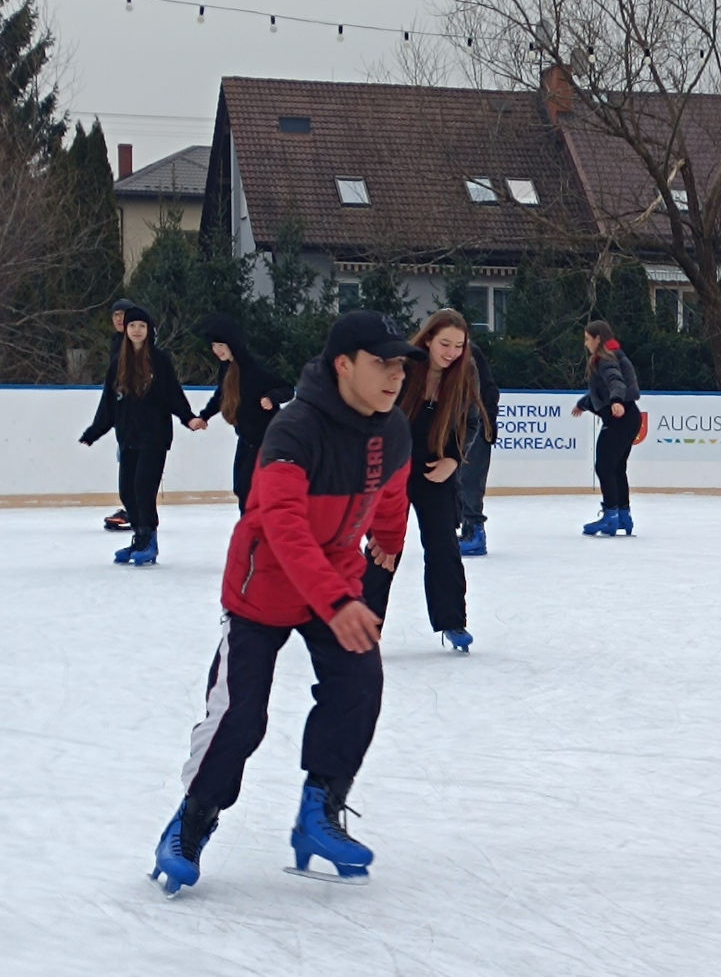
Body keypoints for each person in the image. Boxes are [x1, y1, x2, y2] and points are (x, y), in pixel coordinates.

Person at [150, 310, 421, 895]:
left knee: (359, 686)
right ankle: (191, 820)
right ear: (344, 365)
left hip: (337, 581)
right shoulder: (295, 427)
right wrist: (335, 599)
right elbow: (282, 523)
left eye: (401, 365)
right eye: (382, 363)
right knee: (240, 715)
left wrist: (390, 542)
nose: (395, 376)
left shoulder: (392, 429)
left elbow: (394, 491)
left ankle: (319, 812)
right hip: (264, 587)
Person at [362, 308, 481, 652]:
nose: (451, 352)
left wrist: (453, 460)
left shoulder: (464, 373)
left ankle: (452, 622)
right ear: (428, 338)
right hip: (392, 471)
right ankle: (367, 624)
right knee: (384, 547)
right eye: (445, 343)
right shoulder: (401, 366)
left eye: (459, 346)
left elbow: (471, 424)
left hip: (435, 470)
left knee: (444, 545)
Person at [79, 305, 205, 565]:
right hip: (128, 436)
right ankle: (138, 536)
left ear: (149, 331)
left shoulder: (159, 361)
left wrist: (188, 417)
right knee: (127, 491)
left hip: (155, 436)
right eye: (132, 326)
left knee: (143, 489)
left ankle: (149, 540)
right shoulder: (118, 364)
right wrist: (94, 431)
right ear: (125, 330)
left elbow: (173, 395)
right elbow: (109, 404)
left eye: (142, 326)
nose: (137, 330)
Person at [196, 312, 295, 514]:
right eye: (214, 346)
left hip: (265, 438)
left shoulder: (253, 367)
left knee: (251, 487)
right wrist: (204, 416)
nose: (217, 351)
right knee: (241, 486)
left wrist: (271, 397)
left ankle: (255, 528)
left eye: (221, 346)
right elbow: (221, 395)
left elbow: (287, 389)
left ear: (232, 344)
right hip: (246, 437)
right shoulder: (227, 369)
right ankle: (249, 526)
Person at [571, 319, 642, 536]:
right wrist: (583, 404)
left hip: (620, 417)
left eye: (587, 339)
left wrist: (617, 401)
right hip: (629, 416)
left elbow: (615, 381)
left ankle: (611, 516)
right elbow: (601, 391)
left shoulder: (605, 359)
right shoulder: (615, 355)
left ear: (597, 339)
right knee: (616, 467)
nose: (586, 344)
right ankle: (623, 515)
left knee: (604, 466)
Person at [457, 341, 499, 557]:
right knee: (461, 480)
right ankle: (467, 529)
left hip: (478, 426)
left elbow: (490, 392)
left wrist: (488, 423)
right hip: (464, 426)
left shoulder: (471, 354)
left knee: (470, 481)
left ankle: (476, 533)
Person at [102, 297, 136, 532]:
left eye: (123, 315)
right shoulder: (116, 342)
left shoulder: (135, 344)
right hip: (122, 411)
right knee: (124, 458)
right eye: (115, 316)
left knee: (132, 459)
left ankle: (136, 510)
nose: (118, 320)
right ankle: (132, 507)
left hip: (136, 412)